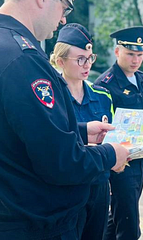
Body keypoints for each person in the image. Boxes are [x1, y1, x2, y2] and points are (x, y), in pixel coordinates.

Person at [0, 0, 129, 239]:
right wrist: (112, 154)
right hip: (35, 224)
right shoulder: (20, 58)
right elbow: (61, 162)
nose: (62, 20)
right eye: (64, 8)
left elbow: (15, 132)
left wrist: (82, 131)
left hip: (5, 214)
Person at [50, 23, 114, 240]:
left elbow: (111, 140)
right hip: (68, 189)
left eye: (90, 57)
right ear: (60, 61)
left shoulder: (103, 96)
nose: (87, 65)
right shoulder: (52, 99)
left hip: (99, 185)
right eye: (80, 59)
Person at [95, 26, 143, 240]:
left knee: (119, 216)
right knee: (129, 222)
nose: (136, 59)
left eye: (140, 54)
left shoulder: (141, 79)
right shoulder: (105, 85)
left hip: (137, 157)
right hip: (119, 163)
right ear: (117, 52)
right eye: (130, 54)